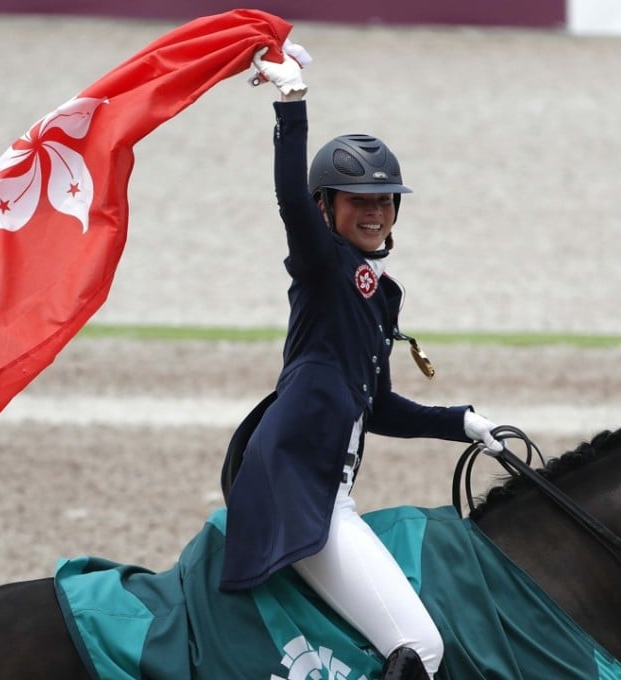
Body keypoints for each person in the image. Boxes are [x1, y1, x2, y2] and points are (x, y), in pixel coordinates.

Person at [219, 42, 503, 680]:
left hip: (330, 488)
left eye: (384, 201)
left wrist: (460, 422)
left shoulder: (379, 290)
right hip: (302, 495)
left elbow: (375, 406)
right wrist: (292, 105)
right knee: (421, 649)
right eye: (356, 200)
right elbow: (290, 200)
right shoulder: (322, 266)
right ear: (327, 208)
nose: (374, 211)